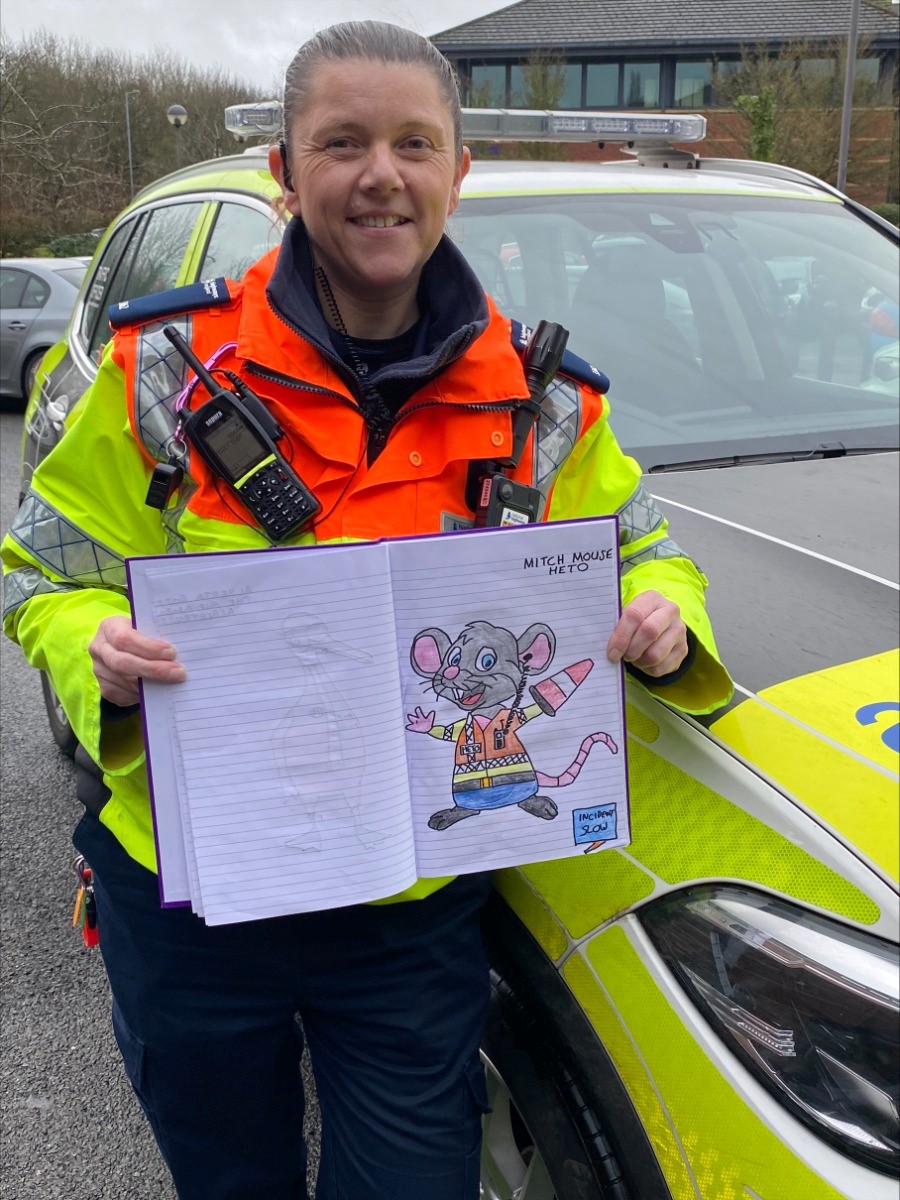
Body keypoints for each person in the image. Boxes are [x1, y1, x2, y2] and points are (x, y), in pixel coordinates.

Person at [1, 20, 733, 1200]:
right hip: (192, 898)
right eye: (342, 142)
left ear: (457, 171)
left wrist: (659, 612)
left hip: (408, 913)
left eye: (413, 142)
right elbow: (42, 573)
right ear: (287, 174)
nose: (380, 174)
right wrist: (90, 650)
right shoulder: (161, 373)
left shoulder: (542, 404)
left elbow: (648, 550)